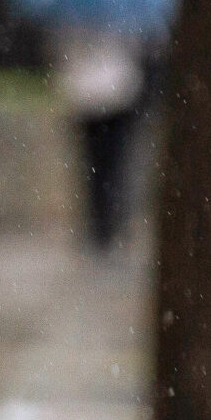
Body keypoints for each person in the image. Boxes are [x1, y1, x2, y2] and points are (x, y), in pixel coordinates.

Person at [50, 22, 151, 250]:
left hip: (88, 96)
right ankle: (110, 220)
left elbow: (62, 54)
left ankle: (100, 223)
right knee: (114, 162)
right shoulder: (124, 14)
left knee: (94, 164)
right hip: (116, 94)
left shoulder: (71, 14)